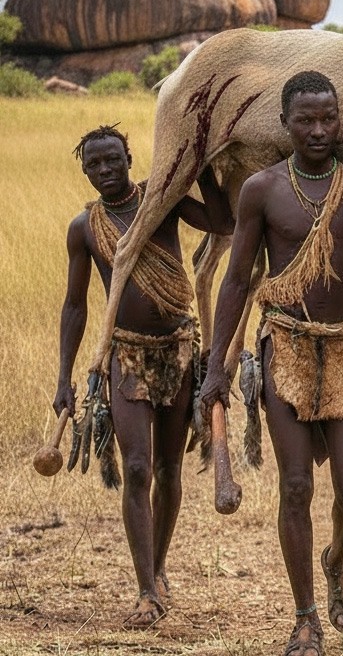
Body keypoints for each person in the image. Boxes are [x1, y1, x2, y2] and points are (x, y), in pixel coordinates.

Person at [199, 70, 343, 656]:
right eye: (306, 120)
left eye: (328, 118)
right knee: (297, 486)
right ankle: (305, 618)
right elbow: (235, 283)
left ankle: (336, 558)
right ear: (285, 124)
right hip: (287, 348)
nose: (319, 130)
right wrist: (216, 367)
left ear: (341, 120)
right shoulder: (263, 190)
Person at [54, 124, 234, 627]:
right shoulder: (85, 228)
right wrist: (64, 378)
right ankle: (146, 590)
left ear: (129, 157)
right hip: (125, 355)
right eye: (96, 164)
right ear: (86, 170)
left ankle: (155, 571)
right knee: (136, 467)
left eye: (114, 160)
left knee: (168, 471)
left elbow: (222, 221)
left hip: (178, 348)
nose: (106, 170)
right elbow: (73, 306)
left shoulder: (163, 197)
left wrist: (198, 168)